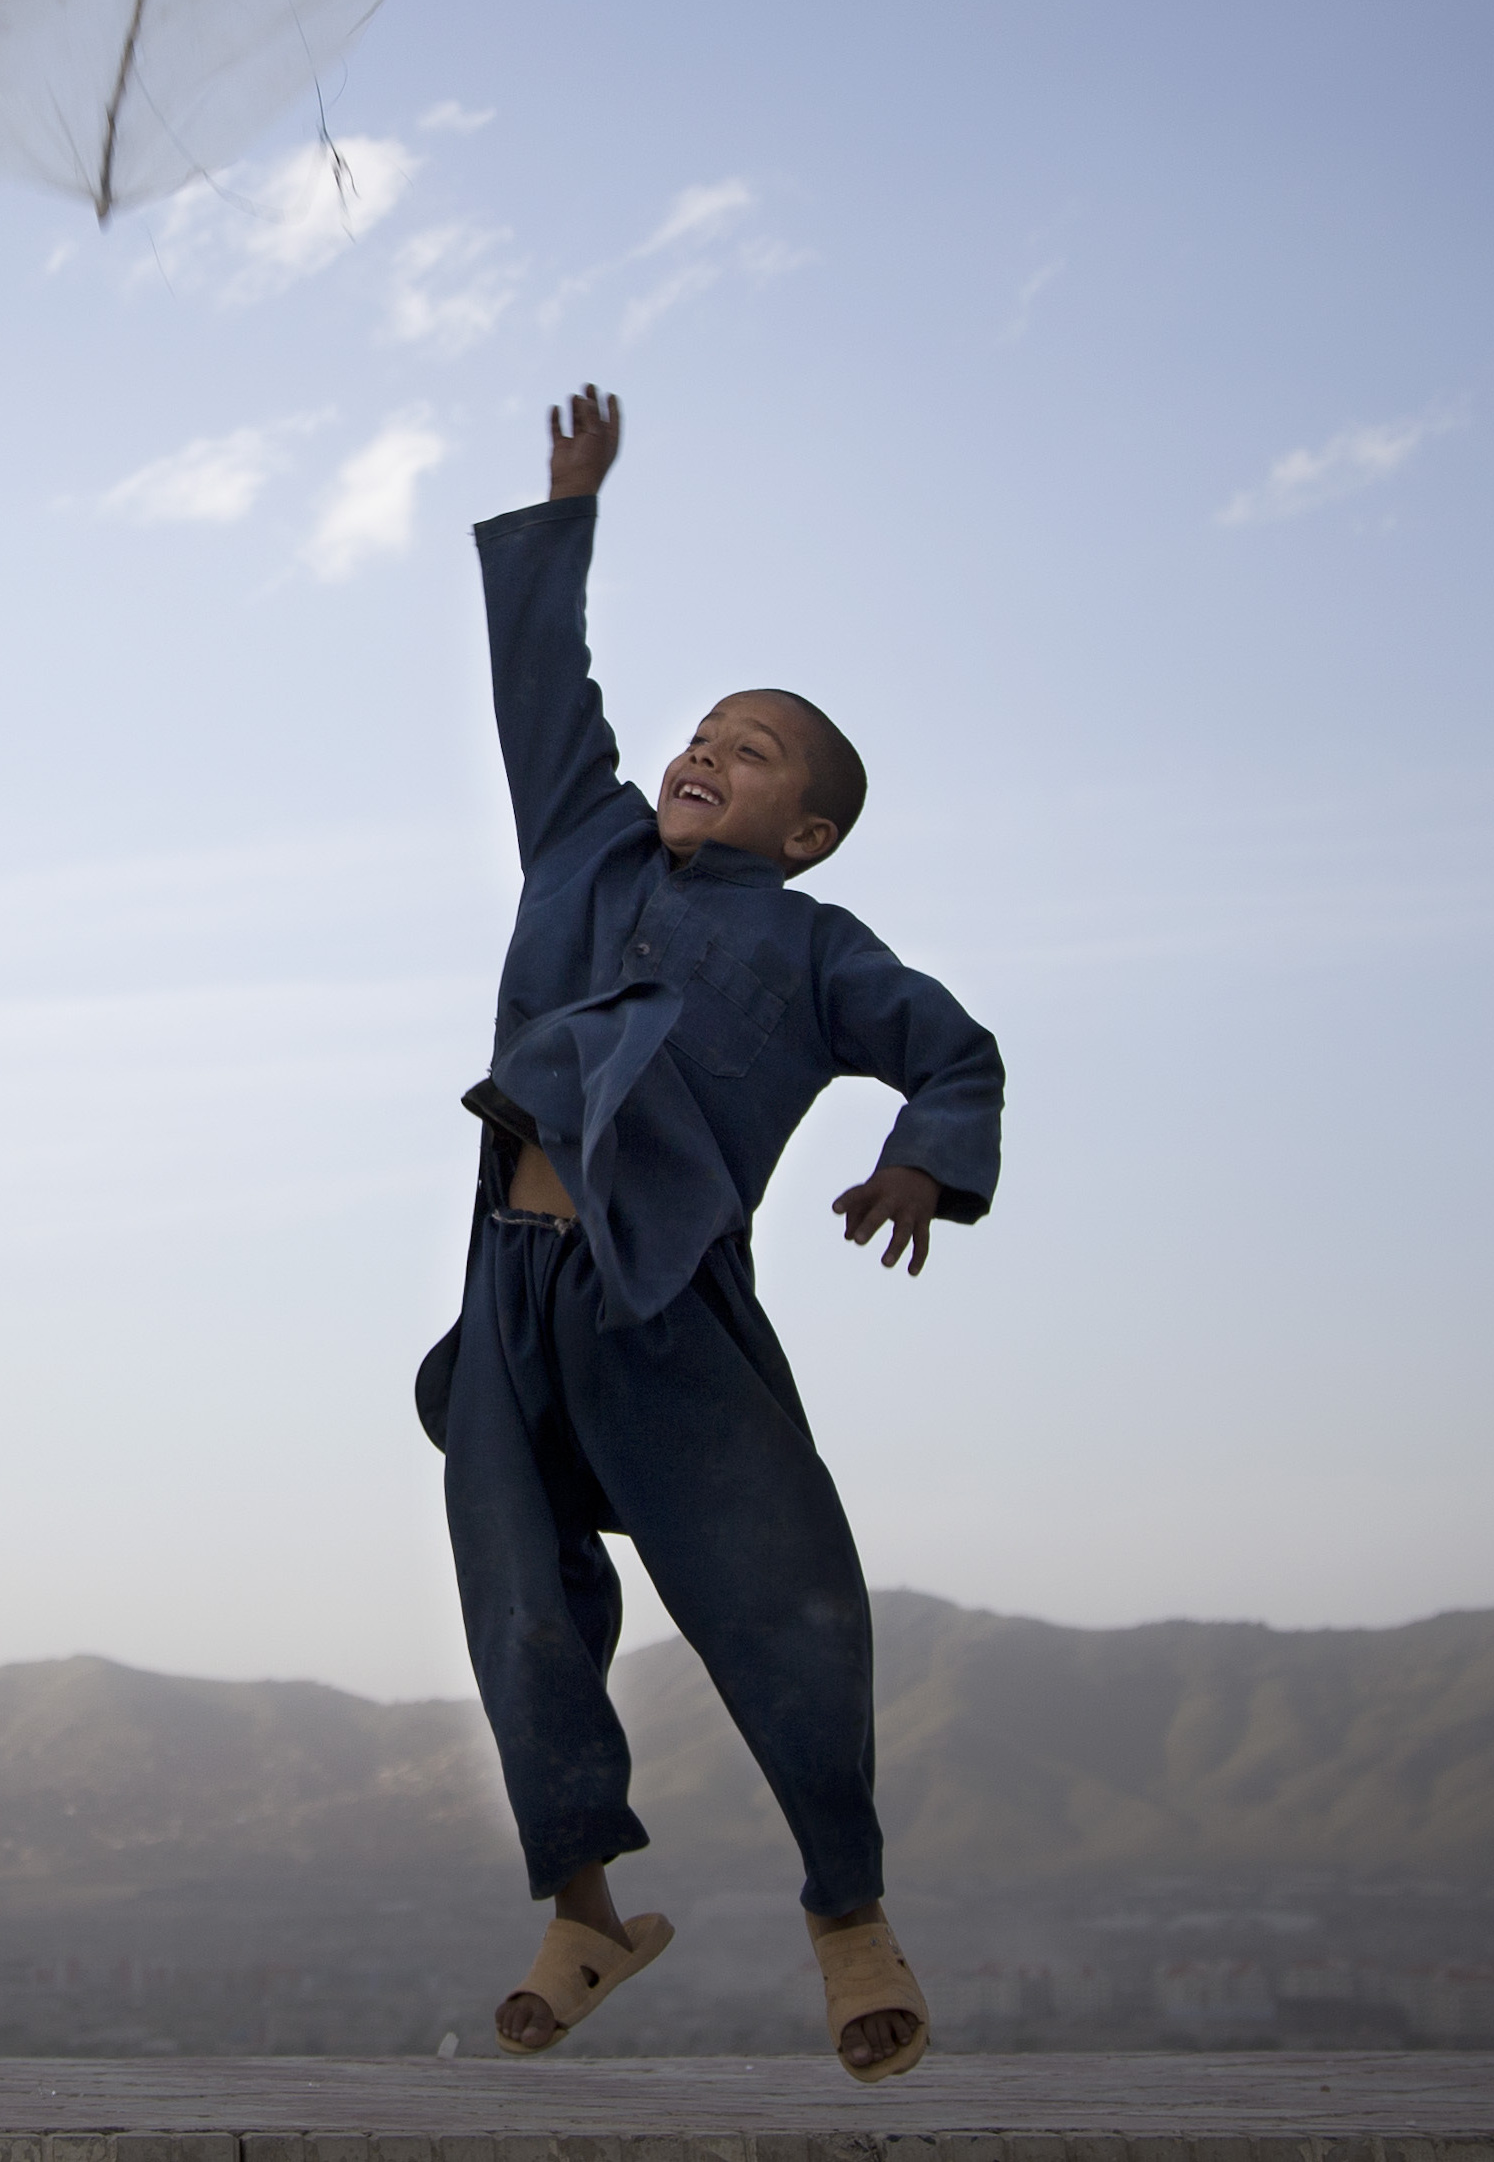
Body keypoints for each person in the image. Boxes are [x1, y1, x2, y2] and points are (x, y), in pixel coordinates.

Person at [415, 386, 1005, 2079]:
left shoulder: (819, 947)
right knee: (519, 1605)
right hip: (507, 1298)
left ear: (803, 827)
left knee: (780, 1597)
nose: (706, 753)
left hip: (667, 1303)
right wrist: (565, 506)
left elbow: (950, 1050)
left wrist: (919, 1163)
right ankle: (585, 1908)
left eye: (752, 753)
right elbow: (547, 689)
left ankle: (847, 1912)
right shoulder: (583, 848)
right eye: (705, 731)